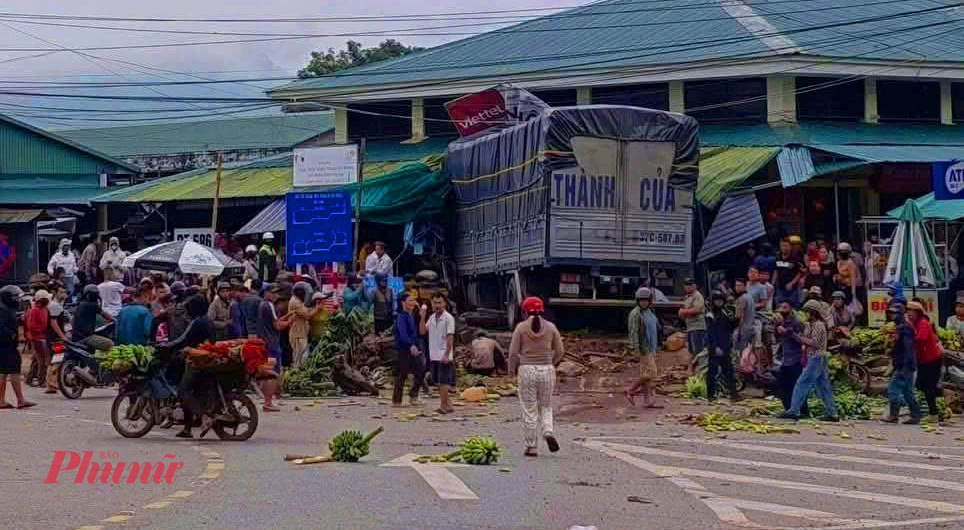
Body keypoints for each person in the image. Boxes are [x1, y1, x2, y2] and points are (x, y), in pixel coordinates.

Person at [509, 296, 563, 457]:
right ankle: (547, 430)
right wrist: (550, 363)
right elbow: (560, 351)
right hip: (546, 370)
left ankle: (531, 446)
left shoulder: (520, 328)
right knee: (545, 405)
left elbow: (513, 353)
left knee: (529, 408)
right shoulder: (551, 327)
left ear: (524, 311)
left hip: (526, 370)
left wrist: (511, 371)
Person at [778, 299, 839, 422]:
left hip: (817, 357)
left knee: (802, 383)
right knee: (823, 386)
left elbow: (814, 343)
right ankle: (832, 413)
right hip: (814, 357)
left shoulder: (818, 325)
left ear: (813, 313)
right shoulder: (809, 325)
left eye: (808, 312)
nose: (806, 314)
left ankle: (794, 410)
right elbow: (804, 339)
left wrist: (795, 336)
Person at [167, 295, 216, 438]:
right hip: (204, 360)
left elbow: (183, 340)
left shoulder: (198, 322)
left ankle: (204, 417)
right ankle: (187, 429)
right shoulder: (207, 321)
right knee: (190, 392)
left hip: (197, 362)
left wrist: (164, 346)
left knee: (183, 392)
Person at [881, 306, 922, 424]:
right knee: (908, 392)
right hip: (905, 364)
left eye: (894, 314)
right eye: (890, 314)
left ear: (900, 314)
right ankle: (916, 416)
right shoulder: (900, 328)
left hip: (905, 365)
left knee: (893, 390)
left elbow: (909, 349)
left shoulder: (905, 329)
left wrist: (905, 367)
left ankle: (893, 415)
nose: (891, 316)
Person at [624, 287, 662, 408]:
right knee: (651, 373)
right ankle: (630, 390)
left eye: (646, 300)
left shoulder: (649, 312)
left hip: (651, 347)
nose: (644, 302)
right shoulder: (635, 314)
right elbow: (633, 332)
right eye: (641, 300)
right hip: (643, 348)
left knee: (646, 375)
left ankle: (647, 401)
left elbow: (655, 328)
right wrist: (635, 349)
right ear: (637, 300)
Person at [906, 301, 944, 423]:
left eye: (911, 312)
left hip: (931, 360)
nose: (909, 314)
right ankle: (942, 398)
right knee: (920, 385)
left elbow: (921, 338)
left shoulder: (923, 323)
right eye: (908, 312)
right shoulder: (915, 323)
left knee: (928, 388)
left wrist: (909, 337)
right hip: (923, 360)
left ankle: (934, 414)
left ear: (917, 312)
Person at [258, 285, 293, 411]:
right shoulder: (269, 305)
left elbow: (274, 321)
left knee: (269, 372)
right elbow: (277, 326)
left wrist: (287, 316)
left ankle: (275, 395)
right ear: (267, 293)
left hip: (265, 341)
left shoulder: (262, 305)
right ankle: (268, 403)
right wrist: (289, 322)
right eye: (273, 293)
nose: (276, 296)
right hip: (271, 342)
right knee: (272, 374)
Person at [421, 293, 456, 415]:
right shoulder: (431, 317)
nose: (437, 305)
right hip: (434, 354)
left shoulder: (448, 318)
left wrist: (447, 354)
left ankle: (443, 406)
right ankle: (448, 405)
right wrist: (422, 316)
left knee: (444, 381)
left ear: (444, 303)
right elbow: (422, 331)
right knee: (438, 381)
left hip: (444, 354)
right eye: (435, 303)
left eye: (440, 303)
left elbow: (450, 337)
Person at [0, 285, 34, 409]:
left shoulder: (6, 309)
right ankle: (17, 400)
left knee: (7, 371)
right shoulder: (2, 310)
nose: (17, 300)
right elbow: (2, 328)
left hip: (6, 346)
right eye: (15, 297)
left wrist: (19, 320)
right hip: (6, 345)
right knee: (9, 371)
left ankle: (9, 400)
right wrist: (13, 335)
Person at [775, 300, 808, 418]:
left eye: (785, 307)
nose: (782, 310)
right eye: (781, 307)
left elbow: (802, 340)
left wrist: (789, 332)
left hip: (796, 359)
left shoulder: (797, 322)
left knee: (797, 386)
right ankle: (789, 409)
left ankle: (803, 411)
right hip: (785, 359)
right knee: (783, 386)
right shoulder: (780, 321)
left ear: (791, 309)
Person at [705, 290, 739, 402]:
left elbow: (730, 326)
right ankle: (711, 395)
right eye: (717, 301)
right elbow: (711, 333)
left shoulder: (725, 312)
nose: (719, 303)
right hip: (715, 348)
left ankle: (733, 394)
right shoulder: (710, 314)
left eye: (720, 300)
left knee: (729, 371)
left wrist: (737, 317)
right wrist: (715, 347)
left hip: (725, 346)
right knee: (712, 373)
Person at [392, 292, 423, 407]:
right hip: (404, 349)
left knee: (420, 371)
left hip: (413, 348)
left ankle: (413, 396)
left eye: (413, 300)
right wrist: (411, 345)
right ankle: (397, 400)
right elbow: (403, 334)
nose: (413, 302)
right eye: (410, 300)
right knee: (402, 374)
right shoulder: (401, 317)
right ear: (403, 303)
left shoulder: (411, 315)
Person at [26, 290, 56, 393]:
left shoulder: (44, 309)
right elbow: (31, 326)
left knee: (36, 359)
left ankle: (29, 379)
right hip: (37, 337)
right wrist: (41, 331)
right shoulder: (35, 310)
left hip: (41, 336)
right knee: (43, 360)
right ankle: (41, 380)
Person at [71, 285, 115, 352]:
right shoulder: (92, 305)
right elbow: (106, 316)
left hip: (77, 336)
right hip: (86, 337)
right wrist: (116, 320)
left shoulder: (82, 303)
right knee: (110, 344)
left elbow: (73, 320)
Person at [288, 282, 319, 369]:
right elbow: (307, 315)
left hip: (300, 333)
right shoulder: (295, 302)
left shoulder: (296, 300)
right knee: (300, 358)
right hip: (298, 334)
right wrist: (317, 308)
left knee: (302, 357)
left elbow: (305, 310)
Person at [678, 278, 706, 374]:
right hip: (690, 327)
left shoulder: (697, 296)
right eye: (686, 285)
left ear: (695, 286)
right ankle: (692, 369)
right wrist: (682, 313)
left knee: (698, 350)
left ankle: (700, 370)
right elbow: (684, 311)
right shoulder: (687, 297)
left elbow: (697, 310)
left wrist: (683, 312)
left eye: (690, 285)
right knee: (691, 350)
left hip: (698, 326)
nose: (688, 287)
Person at [774, 238, 805, 307]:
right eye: (782, 246)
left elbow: (800, 272)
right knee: (780, 307)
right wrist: (773, 283)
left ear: (790, 246)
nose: (784, 248)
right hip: (780, 287)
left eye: (786, 245)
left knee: (793, 307)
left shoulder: (796, 259)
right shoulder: (777, 258)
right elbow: (776, 271)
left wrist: (792, 283)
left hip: (792, 288)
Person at [733, 278, 754, 356]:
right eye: (736, 285)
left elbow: (739, 316)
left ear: (745, 286)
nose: (737, 287)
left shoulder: (741, 299)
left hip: (742, 329)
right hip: (750, 327)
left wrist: (738, 332)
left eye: (740, 285)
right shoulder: (750, 297)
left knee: (739, 354)